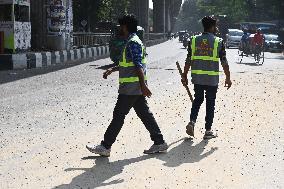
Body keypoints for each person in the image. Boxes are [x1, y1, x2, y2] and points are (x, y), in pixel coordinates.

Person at [86, 15, 168, 157]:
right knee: (145, 115)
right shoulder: (132, 41)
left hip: (131, 88)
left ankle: (105, 146)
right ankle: (159, 142)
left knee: (119, 115)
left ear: (126, 27)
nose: (119, 29)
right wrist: (113, 69)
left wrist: (143, 86)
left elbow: (138, 66)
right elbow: (128, 64)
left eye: (121, 26)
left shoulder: (133, 43)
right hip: (134, 88)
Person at [181, 16, 232, 140]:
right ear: (212, 27)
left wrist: (184, 75)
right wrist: (228, 77)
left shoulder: (193, 40)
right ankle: (208, 131)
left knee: (197, 100)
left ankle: (192, 122)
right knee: (210, 103)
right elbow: (224, 61)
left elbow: (188, 60)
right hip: (211, 80)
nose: (217, 28)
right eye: (216, 26)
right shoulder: (218, 41)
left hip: (197, 78)